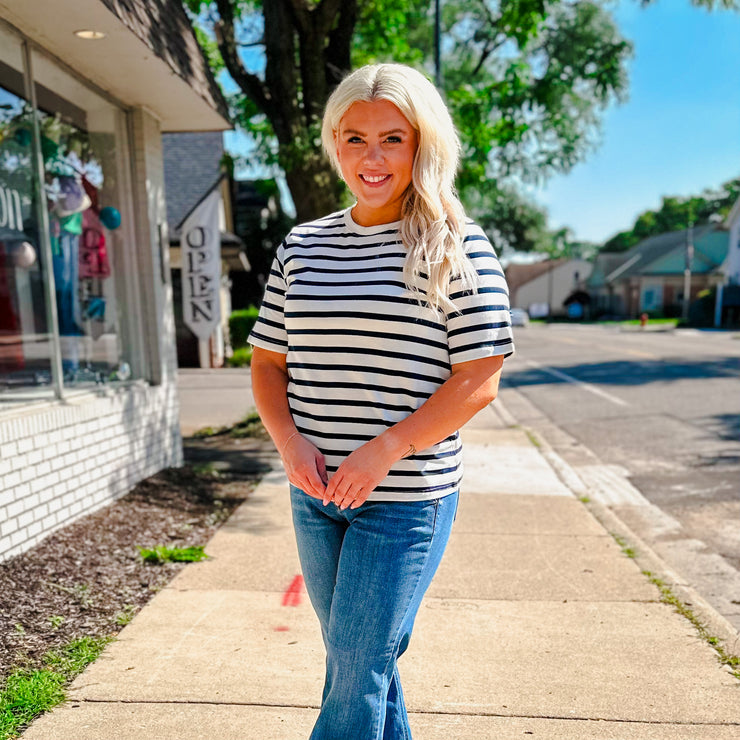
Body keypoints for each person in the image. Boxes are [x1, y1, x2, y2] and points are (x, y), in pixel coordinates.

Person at [248, 63, 514, 740]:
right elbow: (268, 363)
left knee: (356, 668)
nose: (371, 157)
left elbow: (479, 378)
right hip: (315, 495)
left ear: (422, 144)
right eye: (354, 137)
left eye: (392, 138)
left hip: (404, 502)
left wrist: (385, 449)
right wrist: (289, 443)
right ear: (333, 144)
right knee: (362, 663)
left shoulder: (457, 244)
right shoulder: (301, 247)